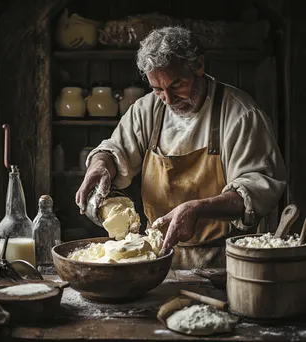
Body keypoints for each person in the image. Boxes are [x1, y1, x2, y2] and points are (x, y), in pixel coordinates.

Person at [76, 26, 286, 269]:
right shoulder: (147, 111)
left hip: (223, 263)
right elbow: (115, 150)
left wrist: (196, 209)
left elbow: (256, 190)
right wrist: (101, 164)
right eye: (157, 89)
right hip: (155, 258)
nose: (168, 98)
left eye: (176, 86)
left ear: (198, 66)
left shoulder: (241, 116)